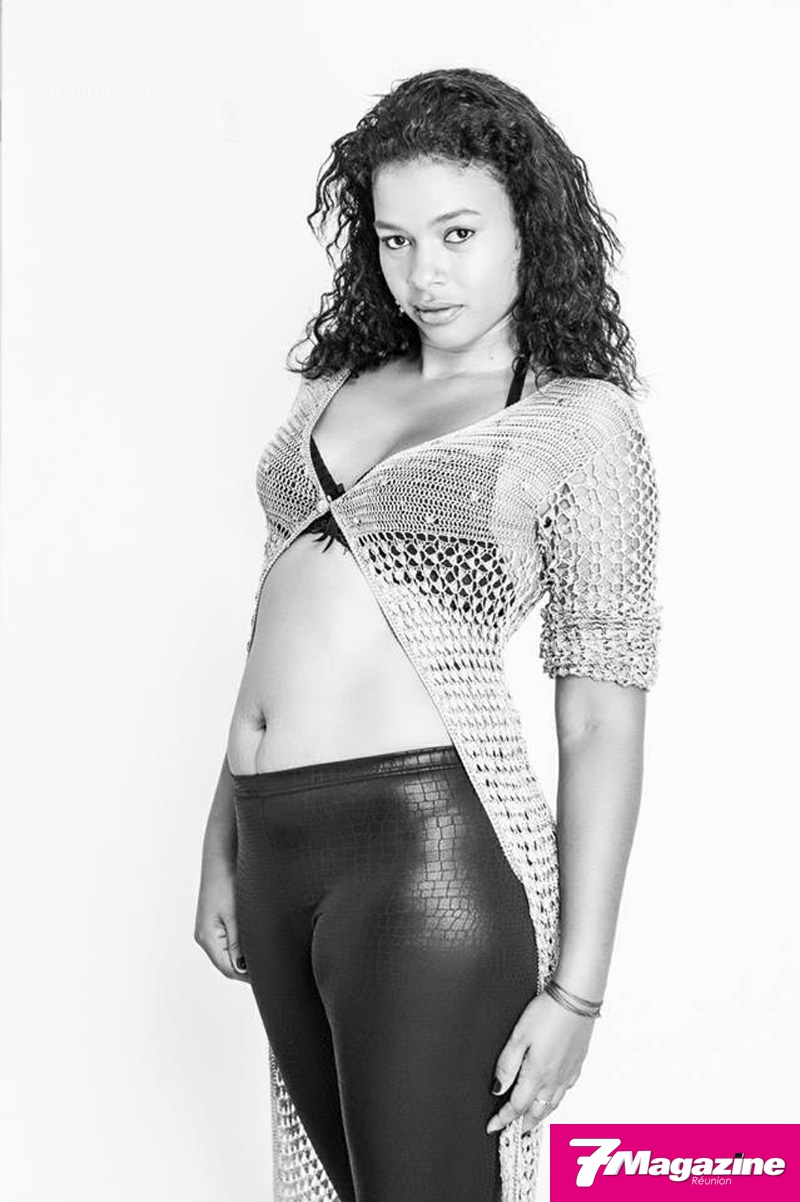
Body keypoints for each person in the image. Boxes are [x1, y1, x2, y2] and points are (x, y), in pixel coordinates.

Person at [194, 66, 662, 1202]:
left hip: (424, 854)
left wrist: (578, 990)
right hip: (273, 843)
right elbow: (273, 627)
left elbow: (599, 709)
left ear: (527, 227)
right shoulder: (334, 386)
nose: (425, 273)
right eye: (395, 239)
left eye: (458, 233)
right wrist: (222, 837)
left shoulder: (576, 421)